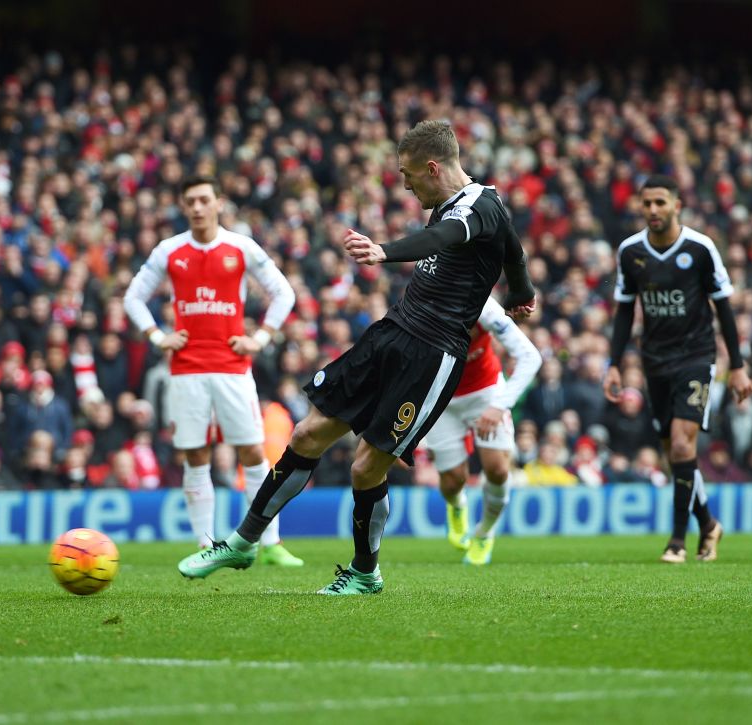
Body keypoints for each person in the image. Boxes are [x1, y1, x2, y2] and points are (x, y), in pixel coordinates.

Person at [178, 120, 535, 593]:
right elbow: (512, 249)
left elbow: (443, 239)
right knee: (307, 433)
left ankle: (365, 572)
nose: (405, 184)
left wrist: (384, 252)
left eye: (409, 174)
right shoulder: (471, 207)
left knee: (366, 467)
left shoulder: (476, 209)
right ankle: (243, 542)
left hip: (432, 355)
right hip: (392, 332)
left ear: (433, 167)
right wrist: (523, 292)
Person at [124, 175, 302, 566]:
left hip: (233, 366)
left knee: (253, 452)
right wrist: (157, 336)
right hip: (186, 368)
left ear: (219, 202)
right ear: (183, 207)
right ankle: (205, 544)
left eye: (205, 199)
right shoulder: (170, 251)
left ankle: (268, 542)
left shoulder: (241, 247)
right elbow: (133, 297)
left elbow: (283, 292)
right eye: (191, 201)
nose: (198, 207)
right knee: (195, 454)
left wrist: (262, 337)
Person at [604, 174, 752, 564]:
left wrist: (736, 366)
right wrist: (614, 364)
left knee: (684, 445)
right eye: (647, 203)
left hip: (696, 357)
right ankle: (709, 524)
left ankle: (676, 541)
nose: (653, 210)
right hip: (654, 361)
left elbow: (723, 307)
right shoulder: (630, 252)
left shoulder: (701, 249)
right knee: (674, 454)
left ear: (676, 206)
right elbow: (624, 311)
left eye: (660, 203)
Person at [424, 297, 541, 565]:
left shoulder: (484, 307)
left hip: (486, 393)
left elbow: (530, 356)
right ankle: (457, 505)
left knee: (498, 470)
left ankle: (484, 533)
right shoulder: (422, 304)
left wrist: (500, 405)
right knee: (453, 481)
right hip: (442, 397)